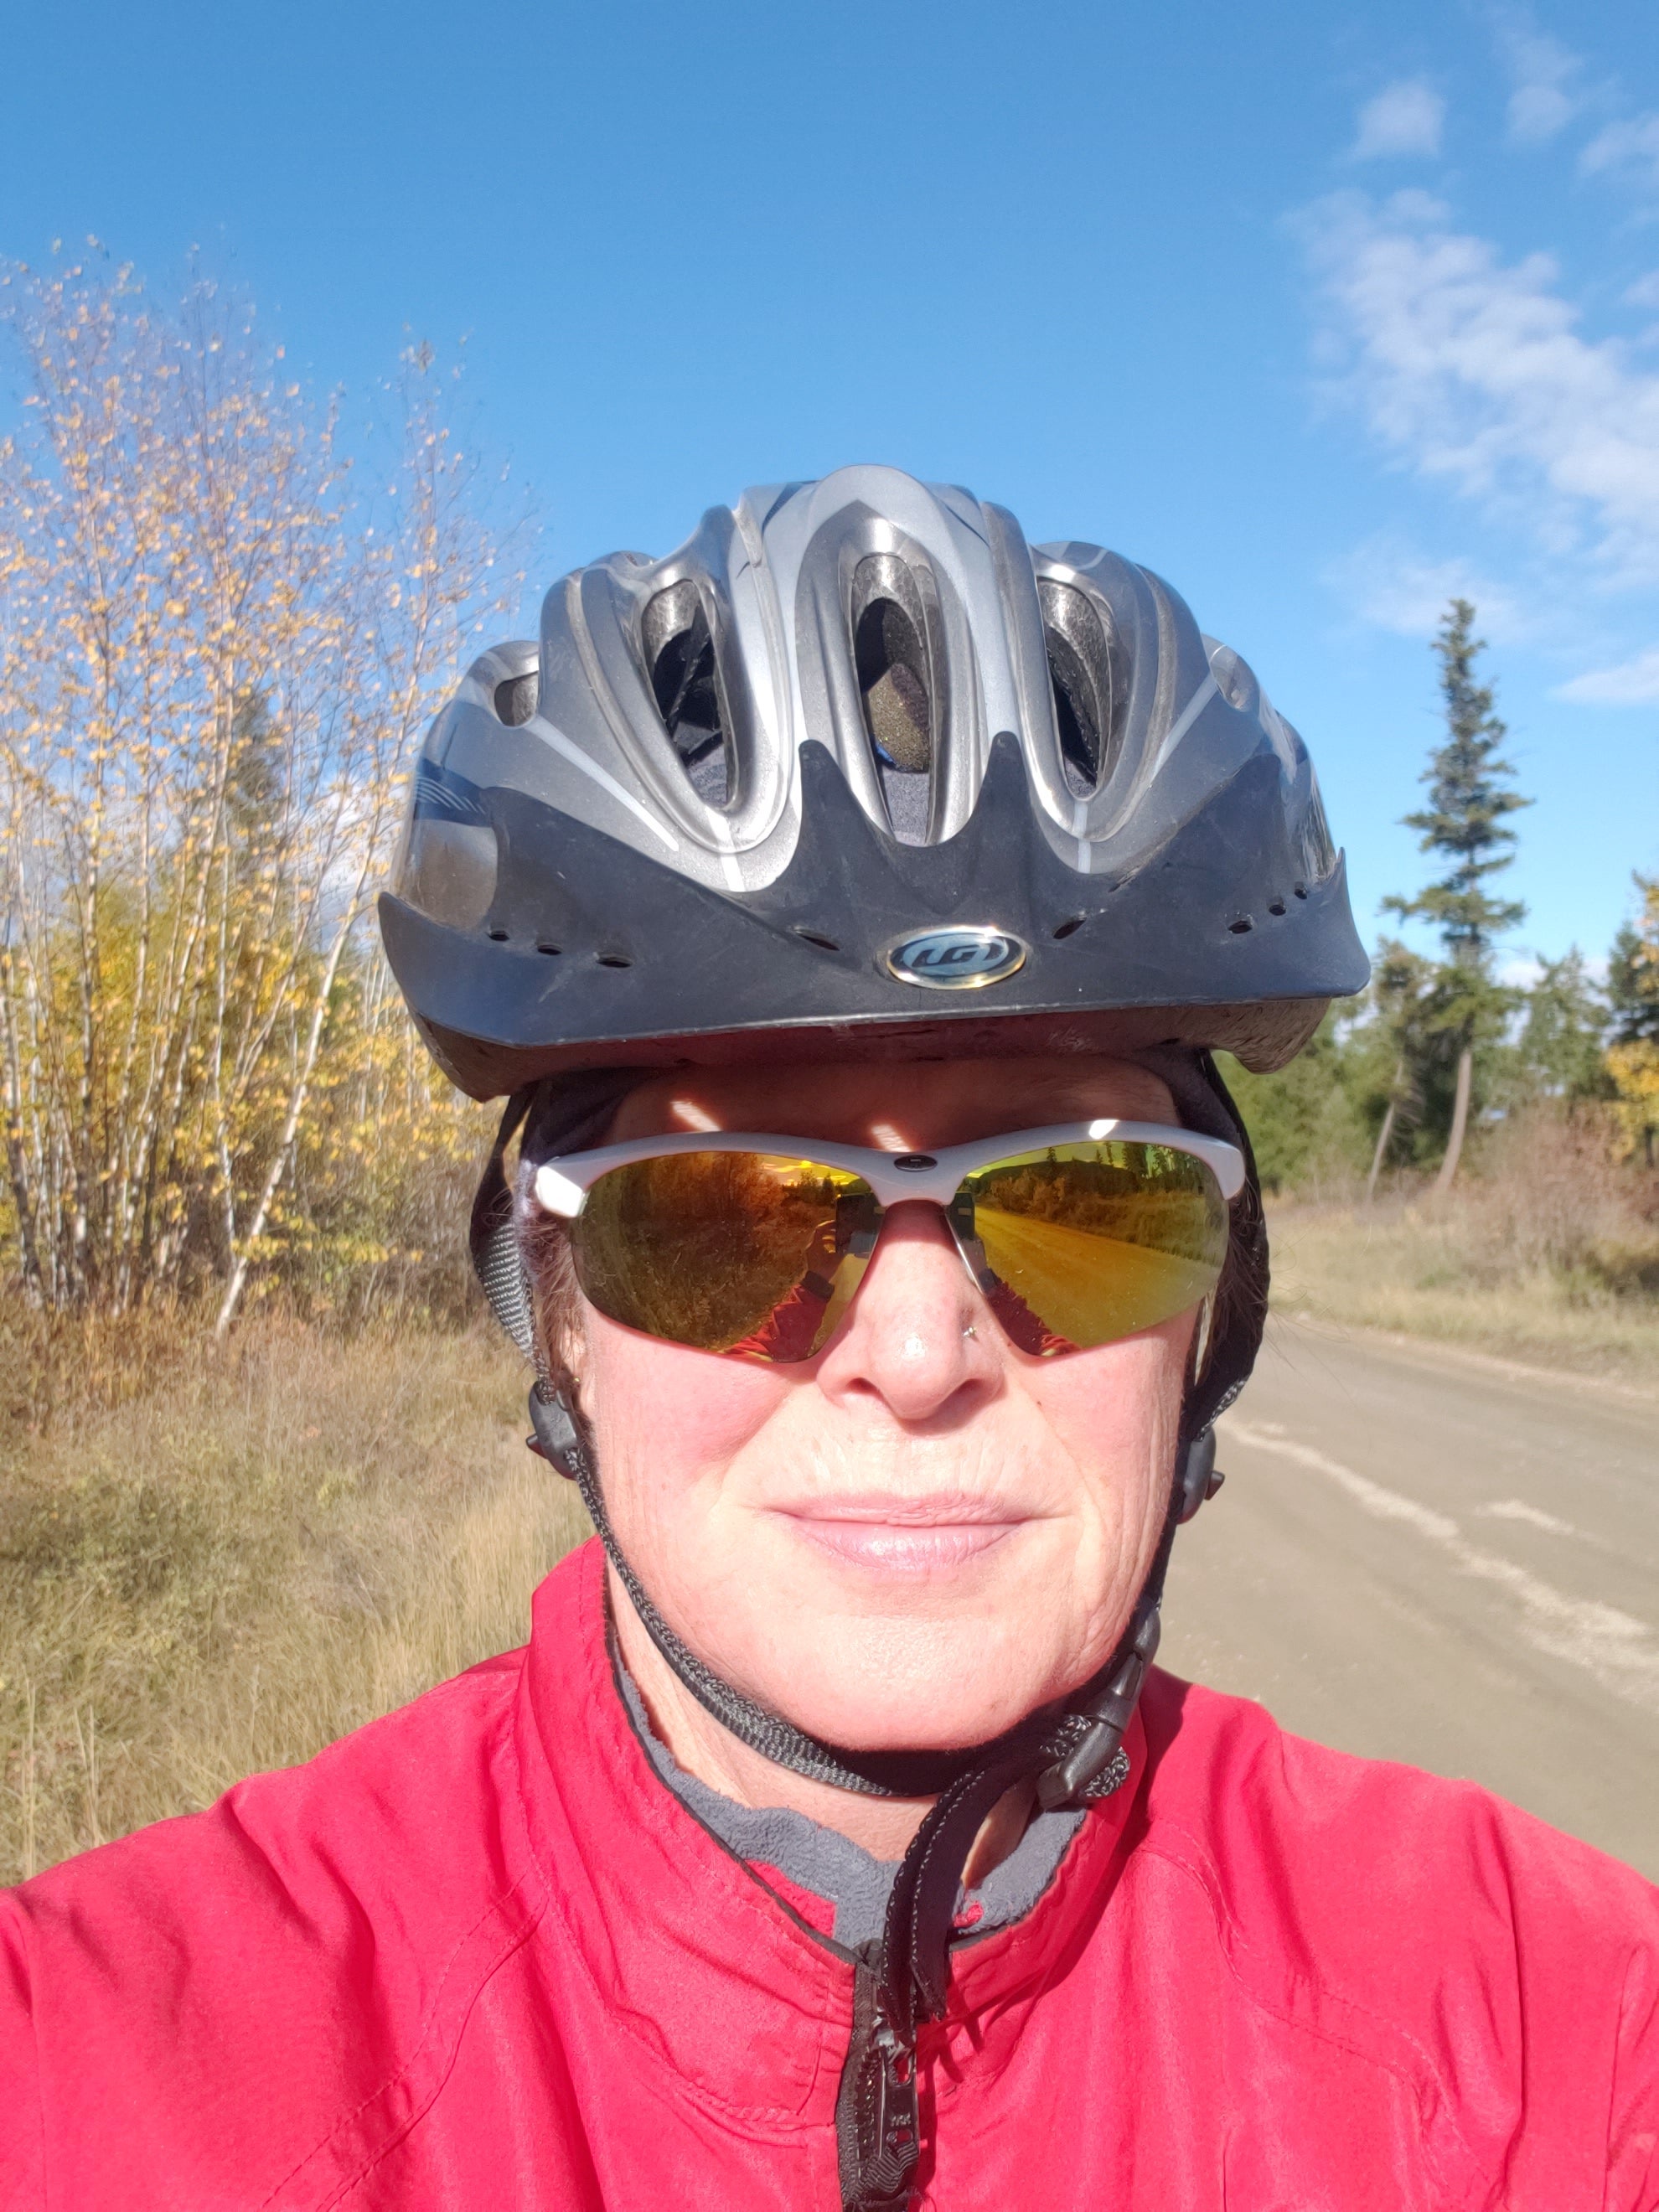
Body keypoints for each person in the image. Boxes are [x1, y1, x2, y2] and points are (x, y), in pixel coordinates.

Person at [3, 467, 1655, 2210]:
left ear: (1217, 1316)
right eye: (722, 1215)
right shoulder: (105, 2070)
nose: (921, 1350)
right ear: (551, 1314)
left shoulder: (1555, 2035)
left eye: (1086, 1203)